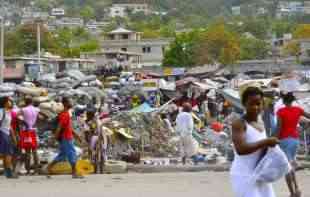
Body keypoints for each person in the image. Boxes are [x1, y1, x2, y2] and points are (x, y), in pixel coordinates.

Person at [231, 86, 279, 197]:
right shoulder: (239, 124)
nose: (255, 107)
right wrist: (266, 142)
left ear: (263, 104)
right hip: (243, 174)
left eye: (258, 104)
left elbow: (263, 149)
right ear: (244, 104)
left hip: (260, 172)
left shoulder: (261, 122)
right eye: (251, 104)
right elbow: (241, 149)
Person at [276, 92, 310, 197]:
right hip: (295, 140)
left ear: (284, 101)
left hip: (284, 141)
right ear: (292, 101)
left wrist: (274, 139)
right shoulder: (298, 110)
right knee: (290, 165)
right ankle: (297, 189)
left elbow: (279, 128)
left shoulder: (280, 111)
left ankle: (292, 193)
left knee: (287, 167)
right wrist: (305, 127)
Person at [46, 97, 83, 178]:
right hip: (66, 138)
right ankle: (74, 172)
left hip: (66, 137)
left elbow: (69, 128)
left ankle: (48, 168)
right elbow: (59, 128)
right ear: (65, 103)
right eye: (70, 102)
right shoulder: (64, 115)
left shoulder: (66, 114)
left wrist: (77, 136)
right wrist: (54, 139)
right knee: (72, 154)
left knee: (62, 155)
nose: (71, 103)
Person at [18, 97, 40, 175]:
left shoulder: (23, 110)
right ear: (31, 102)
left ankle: (28, 171)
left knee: (27, 151)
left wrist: (24, 122)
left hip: (26, 131)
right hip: (33, 131)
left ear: (25, 102)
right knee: (35, 151)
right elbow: (39, 118)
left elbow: (17, 117)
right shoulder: (37, 109)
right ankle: (36, 170)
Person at [83, 109, 107, 174]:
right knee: (96, 150)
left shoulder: (94, 121)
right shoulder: (89, 122)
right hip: (96, 136)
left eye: (88, 115)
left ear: (91, 115)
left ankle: (99, 164)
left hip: (98, 136)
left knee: (100, 150)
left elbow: (100, 130)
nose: (88, 117)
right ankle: (97, 164)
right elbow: (87, 133)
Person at [0, 97, 19, 178]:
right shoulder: (1, 111)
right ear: (5, 103)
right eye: (9, 101)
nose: (10, 102)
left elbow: (9, 126)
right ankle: (9, 173)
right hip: (2, 133)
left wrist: (13, 136)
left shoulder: (8, 112)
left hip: (6, 134)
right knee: (8, 153)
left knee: (6, 153)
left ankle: (7, 172)